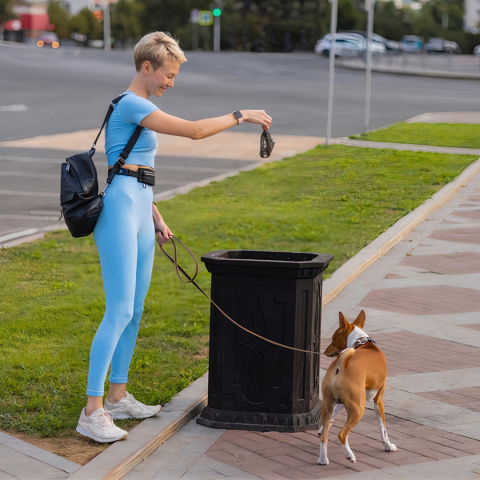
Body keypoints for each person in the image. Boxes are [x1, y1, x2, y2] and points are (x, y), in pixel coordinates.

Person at [76, 31, 272, 443]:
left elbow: (133, 170)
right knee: (118, 311)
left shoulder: (142, 105)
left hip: (139, 209)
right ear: (146, 68)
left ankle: (117, 397)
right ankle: (91, 411)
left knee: (135, 310)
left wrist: (157, 217)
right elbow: (197, 131)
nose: (171, 82)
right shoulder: (131, 103)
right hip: (119, 215)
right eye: (168, 74)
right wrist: (240, 115)